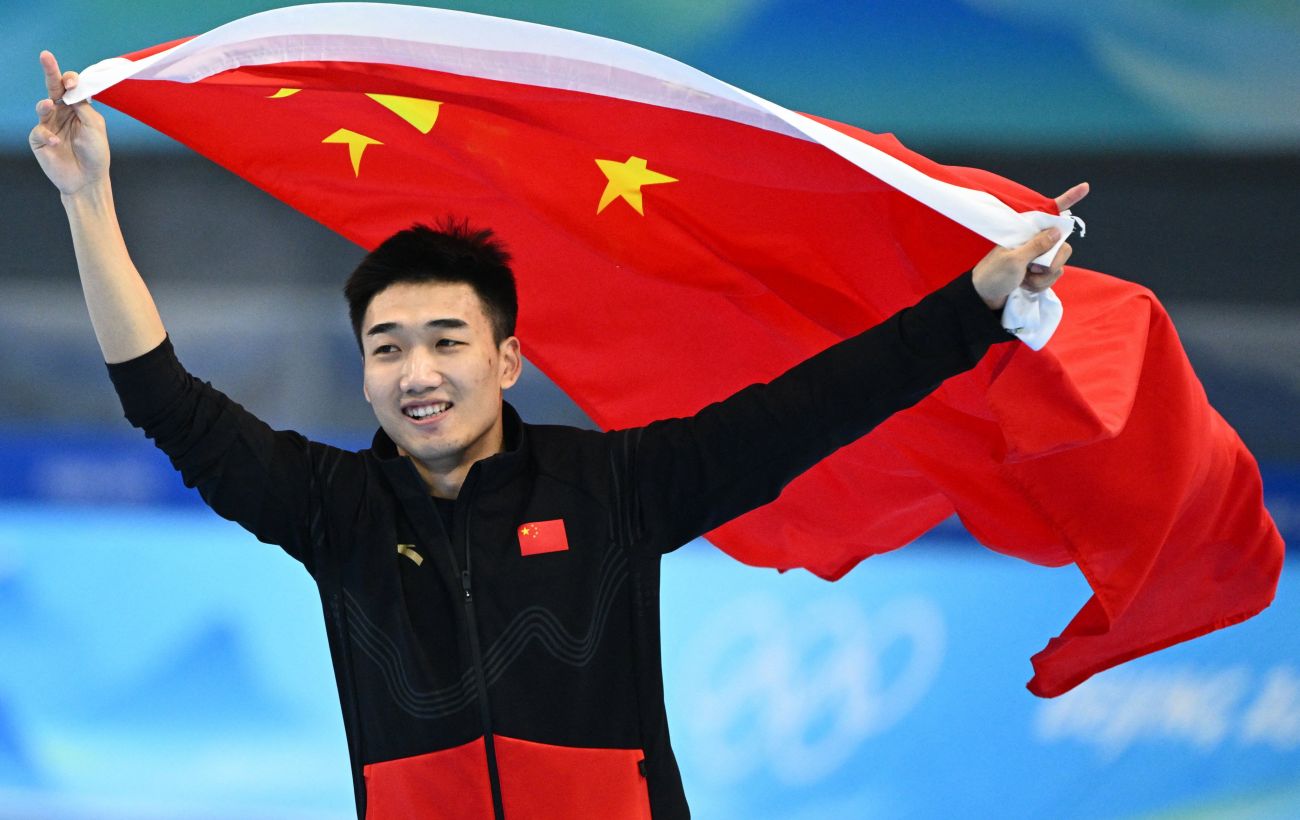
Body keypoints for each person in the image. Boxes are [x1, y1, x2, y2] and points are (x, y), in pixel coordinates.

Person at [32, 50, 1085, 820]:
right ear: (363, 374)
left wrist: (977, 303)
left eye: (446, 341)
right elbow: (162, 397)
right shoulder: (332, 509)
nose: (418, 373)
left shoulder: (615, 486)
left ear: (506, 362)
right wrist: (88, 200)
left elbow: (811, 407)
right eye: (388, 348)